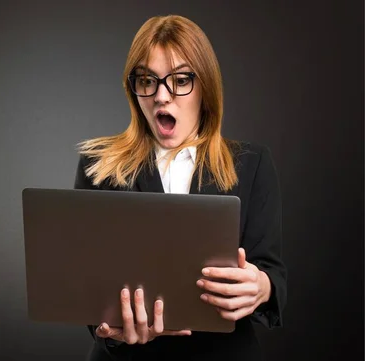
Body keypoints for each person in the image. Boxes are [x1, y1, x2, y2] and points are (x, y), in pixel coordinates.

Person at [73, 15, 287, 361]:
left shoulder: (252, 163)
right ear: (134, 88)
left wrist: (261, 287)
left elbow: (272, 271)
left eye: (181, 79)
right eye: (147, 80)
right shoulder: (98, 166)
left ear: (206, 87)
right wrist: (110, 331)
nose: (161, 96)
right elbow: (84, 286)